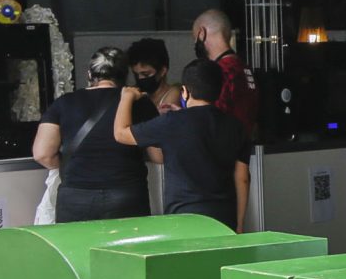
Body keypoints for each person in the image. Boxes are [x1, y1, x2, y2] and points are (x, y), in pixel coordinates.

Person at [119, 57, 248, 229]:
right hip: (223, 218)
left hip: (182, 219)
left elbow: (121, 133)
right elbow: (242, 178)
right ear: (219, 90)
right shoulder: (236, 126)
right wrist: (239, 225)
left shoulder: (172, 123)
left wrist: (126, 98)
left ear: (185, 91)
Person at [32, 47, 153, 223]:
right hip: (127, 194)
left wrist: (76, 164)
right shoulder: (140, 103)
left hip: (76, 197)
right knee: (127, 249)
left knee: (77, 249)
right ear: (124, 76)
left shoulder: (63, 103)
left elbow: (42, 154)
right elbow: (158, 154)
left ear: (89, 75)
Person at [190, 9, 259, 138]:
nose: (195, 45)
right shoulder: (244, 68)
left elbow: (211, 117)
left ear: (201, 33)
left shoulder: (221, 72)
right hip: (243, 149)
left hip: (223, 152)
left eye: (195, 39)